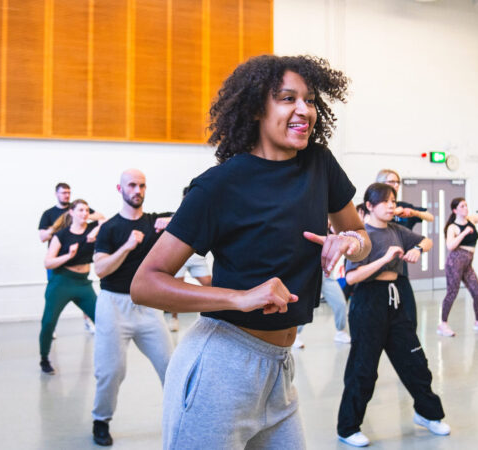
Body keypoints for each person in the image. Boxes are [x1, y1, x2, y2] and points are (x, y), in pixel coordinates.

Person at [131, 55, 370, 449]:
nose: (303, 110)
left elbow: (359, 234)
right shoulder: (219, 186)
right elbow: (146, 283)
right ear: (258, 107)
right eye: (287, 98)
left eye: (310, 100)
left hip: (280, 370)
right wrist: (240, 298)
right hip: (220, 366)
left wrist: (350, 243)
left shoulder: (319, 165)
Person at [337, 183, 449, 447]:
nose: (391, 205)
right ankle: (348, 427)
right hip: (369, 302)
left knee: (415, 363)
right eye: (385, 201)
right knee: (363, 368)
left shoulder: (398, 230)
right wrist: (385, 258)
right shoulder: (361, 237)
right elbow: (351, 277)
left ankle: (427, 413)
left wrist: (418, 249)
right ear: (370, 206)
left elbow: (427, 240)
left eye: (393, 200)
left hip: (398, 297)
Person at [90, 169, 175, 446]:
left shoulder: (155, 222)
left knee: (171, 365)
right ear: (120, 189)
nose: (137, 190)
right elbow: (101, 269)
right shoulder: (110, 228)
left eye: (141, 185)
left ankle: (177, 415)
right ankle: (101, 420)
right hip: (114, 305)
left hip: (147, 306)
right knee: (111, 370)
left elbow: (192, 216)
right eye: (131, 185)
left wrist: (173, 221)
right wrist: (127, 247)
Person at [39, 199, 101, 374]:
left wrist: (94, 232)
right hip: (62, 282)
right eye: (80, 210)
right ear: (72, 212)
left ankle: (104, 357)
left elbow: (104, 221)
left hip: (83, 283)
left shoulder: (92, 229)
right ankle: (44, 359)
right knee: (49, 322)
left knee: (102, 320)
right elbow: (48, 262)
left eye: (87, 210)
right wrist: (68, 255)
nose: (84, 213)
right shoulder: (61, 236)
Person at [38, 182, 104, 334]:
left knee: (85, 296)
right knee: (54, 297)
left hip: (80, 261)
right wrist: (58, 230)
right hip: (59, 263)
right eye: (63, 193)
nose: (66, 195)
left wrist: (82, 215)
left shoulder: (78, 209)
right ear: (56, 194)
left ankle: (88, 321)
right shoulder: (49, 214)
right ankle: (51, 326)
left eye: (68, 192)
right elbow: (42, 236)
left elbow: (101, 218)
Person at [377, 169, 434, 328]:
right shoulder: (373, 207)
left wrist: (412, 212)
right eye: (391, 182)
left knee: (408, 312)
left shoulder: (404, 208)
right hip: (375, 267)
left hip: (400, 268)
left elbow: (430, 217)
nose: (395, 185)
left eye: (397, 182)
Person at [438, 197, 478, 337]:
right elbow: (450, 246)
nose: (465, 208)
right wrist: (463, 233)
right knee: (452, 293)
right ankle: (442, 324)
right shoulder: (453, 227)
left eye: (466, 205)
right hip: (455, 262)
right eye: (462, 206)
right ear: (455, 210)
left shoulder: (470, 219)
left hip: (467, 263)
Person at [293, 224, 352, 348]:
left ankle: (340, 332)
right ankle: (295, 335)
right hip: (308, 270)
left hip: (326, 274)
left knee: (340, 303)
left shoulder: (329, 226)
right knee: (304, 305)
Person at [170, 185, 213, 332]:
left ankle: (208, 315)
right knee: (176, 289)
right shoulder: (176, 215)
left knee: (209, 284)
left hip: (196, 257)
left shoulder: (202, 214)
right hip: (179, 257)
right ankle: (174, 319)